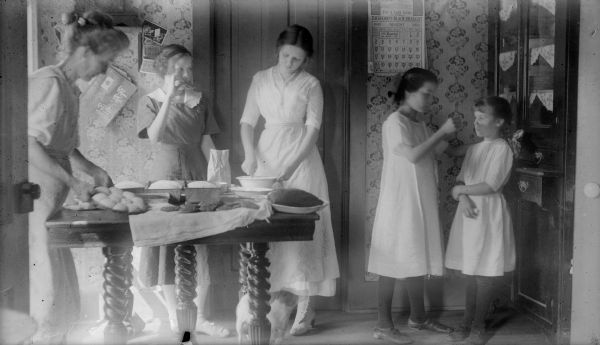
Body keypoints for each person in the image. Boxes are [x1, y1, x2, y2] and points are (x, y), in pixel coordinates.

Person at [28, 10, 129, 344]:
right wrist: (73, 182)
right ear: (85, 53)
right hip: (35, 196)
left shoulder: (70, 90)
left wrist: (92, 169)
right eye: (105, 59)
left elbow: (63, 146)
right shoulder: (49, 83)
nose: (104, 68)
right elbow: (29, 144)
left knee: (60, 288)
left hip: (52, 197)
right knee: (45, 287)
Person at [239, 24, 340, 336]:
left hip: (302, 160)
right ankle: (265, 306)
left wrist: (291, 166)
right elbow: (247, 121)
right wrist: (250, 155)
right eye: (286, 56)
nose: (290, 63)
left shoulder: (311, 85)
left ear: (306, 60)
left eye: (297, 59)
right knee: (266, 228)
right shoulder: (260, 79)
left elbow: (312, 129)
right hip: (266, 156)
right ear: (277, 52)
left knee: (306, 228)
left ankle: (305, 310)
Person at [136, 44, 229, 337]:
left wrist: (220, 175)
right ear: (164, 70)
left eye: (189, 68)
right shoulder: (150, 100)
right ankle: (177, 318)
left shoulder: (200, 100)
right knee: (168, 249)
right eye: (179, 69)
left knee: (201, 247)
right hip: (165, 179)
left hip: (197, 176)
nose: (186, 74)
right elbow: (154, 136)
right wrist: (170, 98)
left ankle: (198, 317)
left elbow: (206, 143)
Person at [367, 68, 456, 344]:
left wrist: (480, 146)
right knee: (392, 259)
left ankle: (418, 318)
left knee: (416, 254)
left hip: (420, 198)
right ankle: (383, 325)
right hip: (400, 201)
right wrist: (442, 131)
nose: (430, 101)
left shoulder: (419, 123)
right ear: (408, 91)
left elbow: (437, 152)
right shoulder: (395, 122)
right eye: (426, 94)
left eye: (432, 95)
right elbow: (414, 156)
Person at [445, 96, 516, 345]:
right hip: (469, 214)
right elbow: (461, 181)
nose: (476, 123)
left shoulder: (502, 148)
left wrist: (461, 192)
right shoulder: (474, 149)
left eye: (481, 118)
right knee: (471, 269)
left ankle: (478, 326)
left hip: (489, 213)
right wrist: (462, 197)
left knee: (484, 270)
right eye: (475, 118)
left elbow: (491, 184)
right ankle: (466, 322)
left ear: (498, 121)